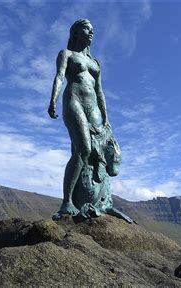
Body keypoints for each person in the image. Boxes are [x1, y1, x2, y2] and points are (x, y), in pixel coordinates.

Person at [48, 19, 111, 216]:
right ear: (75, 32)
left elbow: (99, 91)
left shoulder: (95, 62)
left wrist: (105, 116)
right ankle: (67, 202)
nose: (91, 32)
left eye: (93, 29)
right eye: (86, 28)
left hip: (94, 109)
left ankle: (88, 199)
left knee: (95, 154)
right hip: (73, 101)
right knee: (83, 149)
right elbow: (59, 76)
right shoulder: (67, 54)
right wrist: (53, 100)